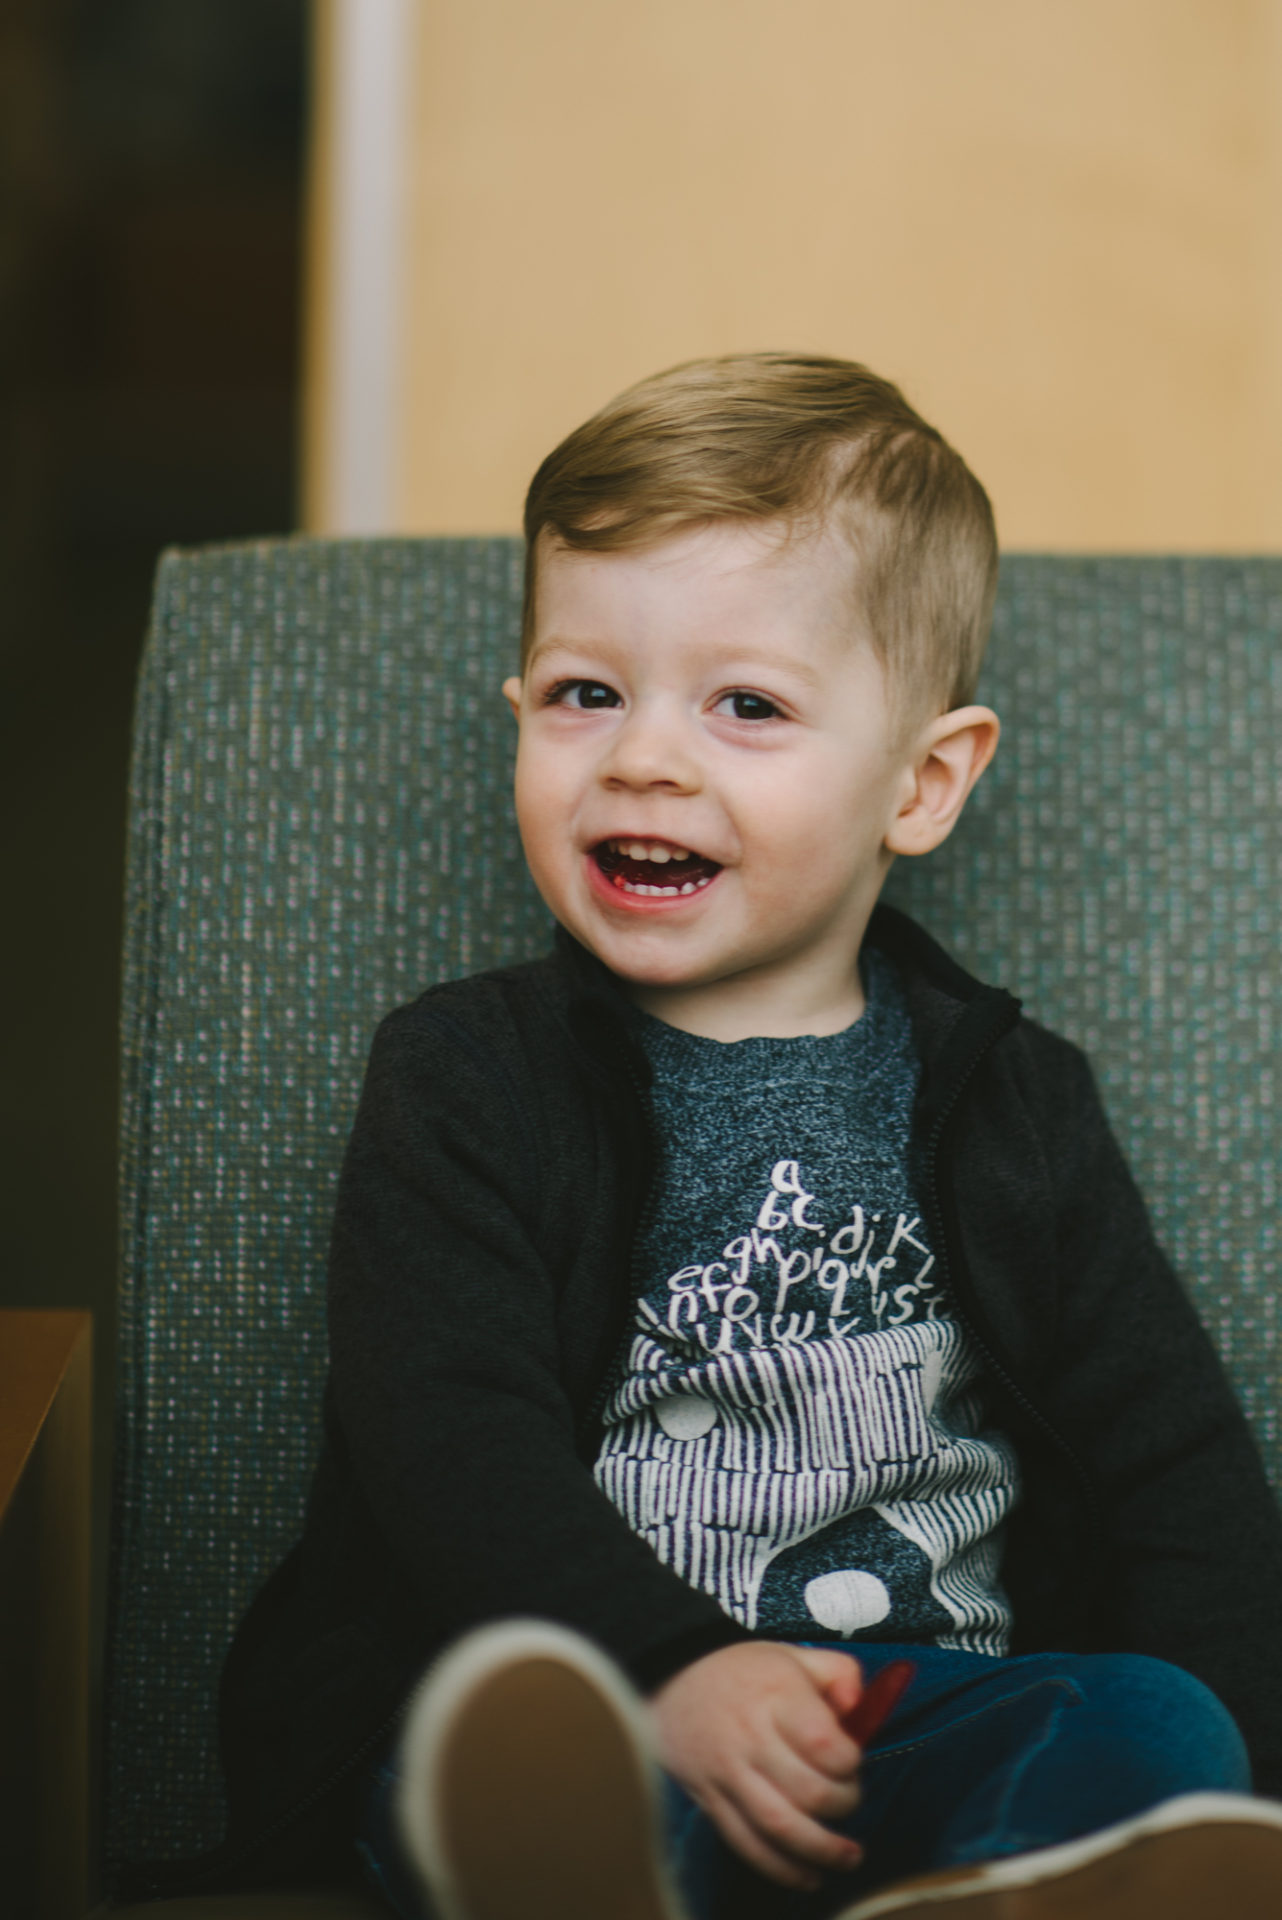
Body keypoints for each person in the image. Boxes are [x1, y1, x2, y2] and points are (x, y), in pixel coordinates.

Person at [214, 355, 1282, 1919]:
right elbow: (445, 1438)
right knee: (483, 1747)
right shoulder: (466, 1076)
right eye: (586, 694)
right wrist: (666, 1670)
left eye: (746, 706)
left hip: (909, 1726)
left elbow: (1174, 1467)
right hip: (603, 1707)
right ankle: (586, 1870)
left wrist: (1230, 1768)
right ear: (520, 712)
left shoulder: (1011, 1102)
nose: (642, 756)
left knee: (1149, 1717)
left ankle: (1034, 1873)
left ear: (921, 782)